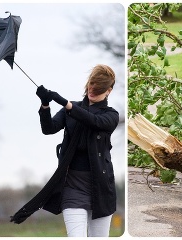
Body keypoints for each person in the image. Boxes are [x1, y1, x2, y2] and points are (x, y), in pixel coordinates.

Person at [35, 64, 119, 237]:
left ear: (109, 91)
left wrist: (66, 104)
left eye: (98, 89)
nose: (92, 91)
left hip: (101, 188)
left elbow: (94, 121)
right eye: (91, 85)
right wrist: (45, 105)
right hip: (73, 187)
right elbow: (49, 128)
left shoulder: (111, 115)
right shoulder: (70, 109)